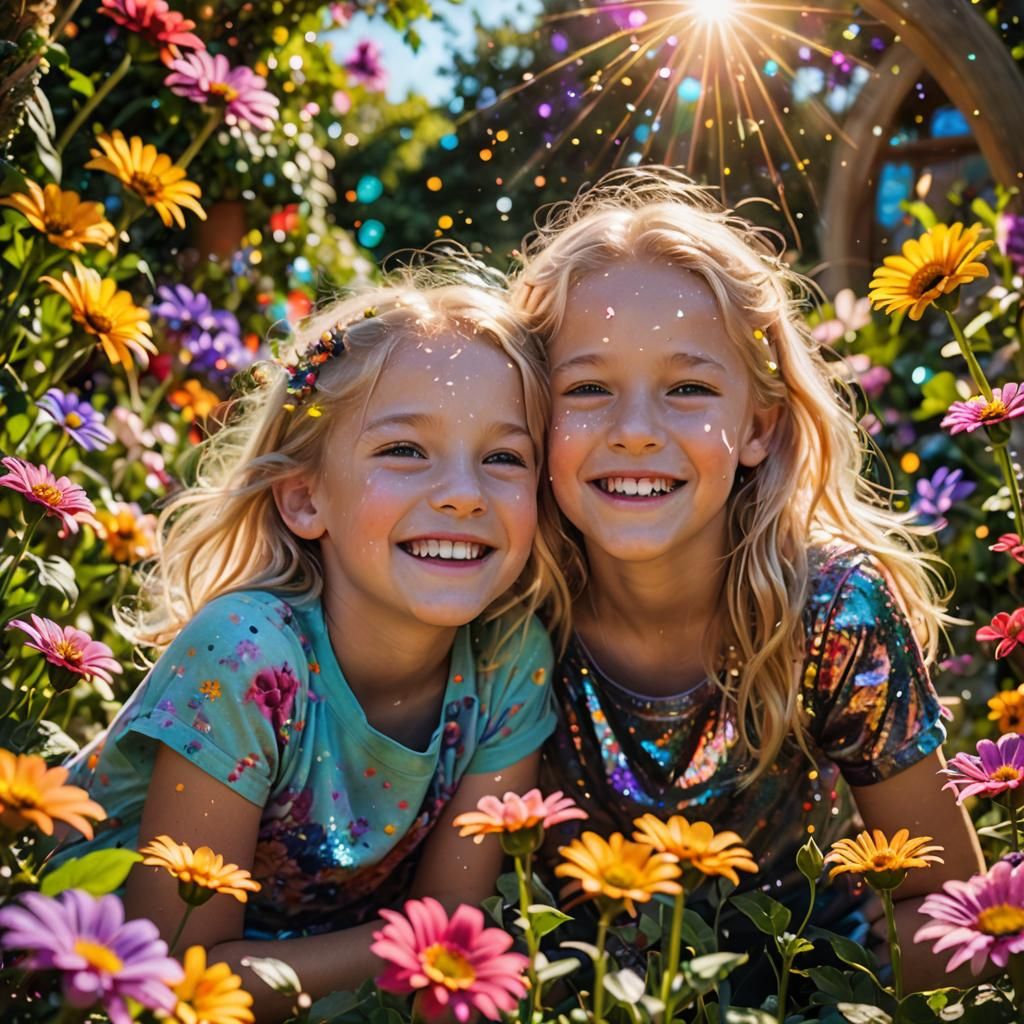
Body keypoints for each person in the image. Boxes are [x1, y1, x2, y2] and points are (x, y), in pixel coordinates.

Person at [510, 167, 984, 995]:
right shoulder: (507, 609)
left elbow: (937, 897)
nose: (634, 433)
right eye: (587, 389)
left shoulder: (831, 610)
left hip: (802, 995)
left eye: (688, 389)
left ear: (759, 426)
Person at [61, 265, 569, 1020]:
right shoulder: (247, 657)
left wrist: (439, 955)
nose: (465, 493)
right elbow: (172, 981)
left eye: (504, 458)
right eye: (403, 450)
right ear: (305, 498)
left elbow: (453, 942)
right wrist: (422, 955)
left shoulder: (507, 660)